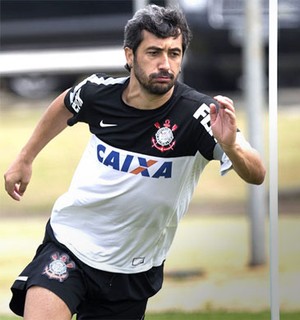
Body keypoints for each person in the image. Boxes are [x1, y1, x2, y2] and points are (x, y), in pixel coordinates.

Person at [4, 4, 266, 320]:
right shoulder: (99, 91)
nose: (165, 64)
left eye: (174, 53)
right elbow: (66, 104)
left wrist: (230, 146)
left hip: (132, 270)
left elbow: (257, 173)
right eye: (154, 52)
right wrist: (25, 158)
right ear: (130, 56)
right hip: (70, 244)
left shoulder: (201, 115)